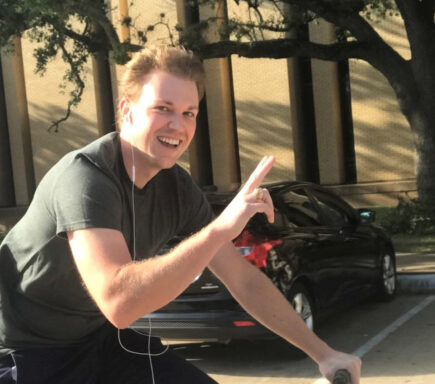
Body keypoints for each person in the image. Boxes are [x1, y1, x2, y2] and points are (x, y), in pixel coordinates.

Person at [0, 45, 361, 384]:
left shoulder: (177, 188)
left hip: (97, 341)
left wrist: (324, 354)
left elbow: (244, 281)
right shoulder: (85, 178)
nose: (178, 125)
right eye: (163, 108)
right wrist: (220, 228)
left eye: (189, 113)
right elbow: (119, 303)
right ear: (126, 110)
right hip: (25, 351)